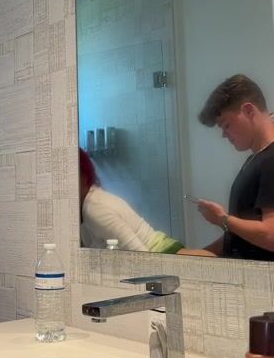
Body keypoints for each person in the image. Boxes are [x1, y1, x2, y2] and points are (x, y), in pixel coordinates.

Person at [191, 74, 274, 260]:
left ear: (249, 111)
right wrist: (197, 256)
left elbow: (271, 236)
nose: (224, 134)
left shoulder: (271, 160)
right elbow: (240, 238)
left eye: (226, 125)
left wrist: (222, 219)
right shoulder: (256, 160)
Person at [79, 148, 184, 253]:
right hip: (161, 246)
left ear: (83, 178)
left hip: (160, 251)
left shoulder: (94, 209)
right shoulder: (92, 201)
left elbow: (140, 254)